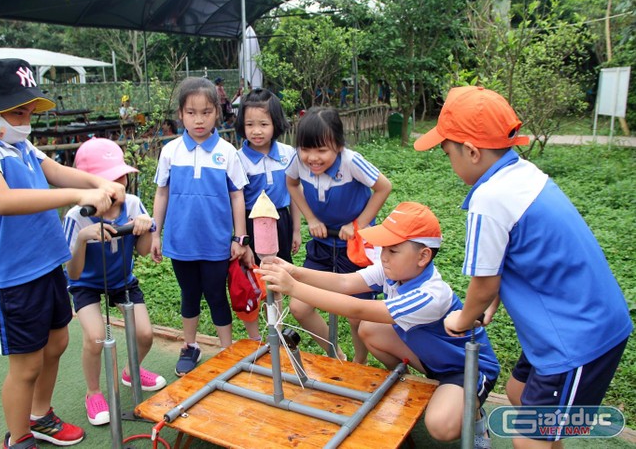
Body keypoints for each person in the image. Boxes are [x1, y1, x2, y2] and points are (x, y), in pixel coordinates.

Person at [414, 86, 633, 448]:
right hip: (565, 324)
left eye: (447, 151)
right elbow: (522, 254)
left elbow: (484, 283)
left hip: (577, 338)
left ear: (470, 150)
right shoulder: (524, 174)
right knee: (518, 393)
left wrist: (463, 319)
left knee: (528, 440)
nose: (449, 161)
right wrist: (493, 298)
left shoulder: (488, 198)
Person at [0, 58, 125, 449]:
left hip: (45, 264)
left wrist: (100, 181)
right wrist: (80, 195)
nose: (25, 118)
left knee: (57, 342)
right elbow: (1, 199)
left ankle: (40, 415)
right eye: (18, 110)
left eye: (29, 110)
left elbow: (55, 170)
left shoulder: (16, 140)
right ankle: (19, 438)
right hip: (10, 275)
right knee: (26, 363)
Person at [258, 202, 499, 446]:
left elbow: (358, 307)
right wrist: (295, 272)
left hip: (465, 368)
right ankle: (409, 385)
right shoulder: (393, 272)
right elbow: (345, 283)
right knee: (369, 330)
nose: (383, 256)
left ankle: (476, 416)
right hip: (430, 358)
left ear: (423, 256)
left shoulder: (430, 295)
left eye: (393, 251)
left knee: (440, 426)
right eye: (383, 248)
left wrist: (293, 287)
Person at [63, 138, 167, 427]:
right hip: (86, 284)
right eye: (111, 179)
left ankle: (131, 371)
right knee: (96, 337)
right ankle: (93, 392)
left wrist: (144, 228)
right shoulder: (76, 217)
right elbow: (72, 273)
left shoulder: (133, 204)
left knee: (145, 334)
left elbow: (144, 250)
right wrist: (84, 239)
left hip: (123, 282)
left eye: (121, 176)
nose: (119, 184)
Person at [151, 77, 250, 376]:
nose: (198, 119)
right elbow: (162, 192)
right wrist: (156, 232)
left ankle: (226, 351)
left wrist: (239, 237)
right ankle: (190, 346)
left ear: (217, 113)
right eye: (191, 112)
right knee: (189, 294)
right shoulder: (170, 151)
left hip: (217, 243)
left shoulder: (227, 152)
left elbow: (237, 196)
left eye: (206, 112)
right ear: (180, 114)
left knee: (217, 295)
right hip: (181, 242)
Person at [285, 107, 392, 363]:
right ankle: (335, 353)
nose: (313, 158)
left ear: (339, 146)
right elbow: (291, 184)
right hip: (322, 244)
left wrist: (357, 224)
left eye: (322, 150)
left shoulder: (351, 161)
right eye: (306, 149)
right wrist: (311, 218)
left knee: (356, 315)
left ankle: (359, 362)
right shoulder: (297, 160)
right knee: (299, 307)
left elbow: (383, 187)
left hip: (355, 246)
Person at [235, 88, 302, 339]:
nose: (256, 130)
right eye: (250, 124)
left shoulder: (287, 154)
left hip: (281, 221)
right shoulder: (239, 158)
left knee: (280, 274)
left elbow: (295, 194)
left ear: (276, 123)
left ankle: (279, 329)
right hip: (252, 224)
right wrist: (243, 240)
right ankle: (259, 335)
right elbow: (238, 202)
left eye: (264, 123)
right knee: (256, 277)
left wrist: (296, 229)